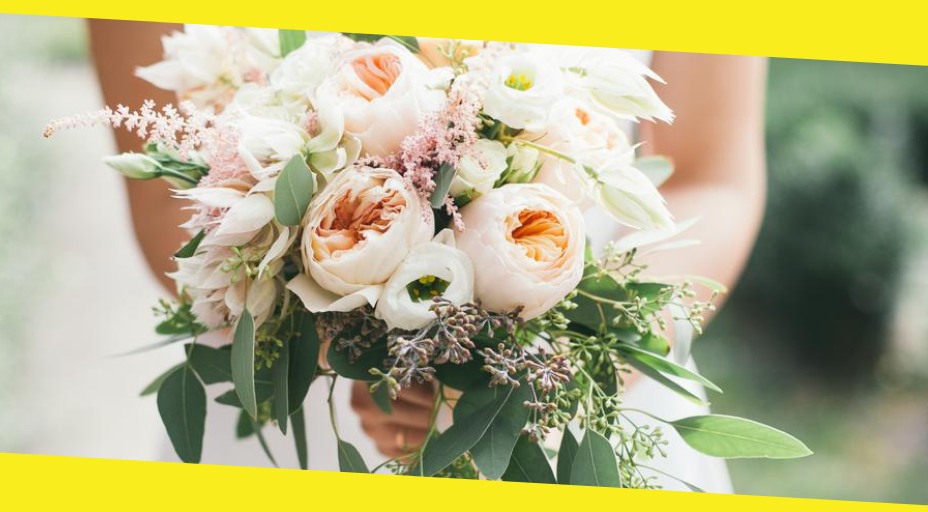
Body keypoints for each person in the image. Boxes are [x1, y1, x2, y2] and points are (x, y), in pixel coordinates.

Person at [88, 20, 766, 491]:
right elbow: (164, 204)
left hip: (570, 387)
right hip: (298, 402)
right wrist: (360, 354)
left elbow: (715, 175)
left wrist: (572, 366)